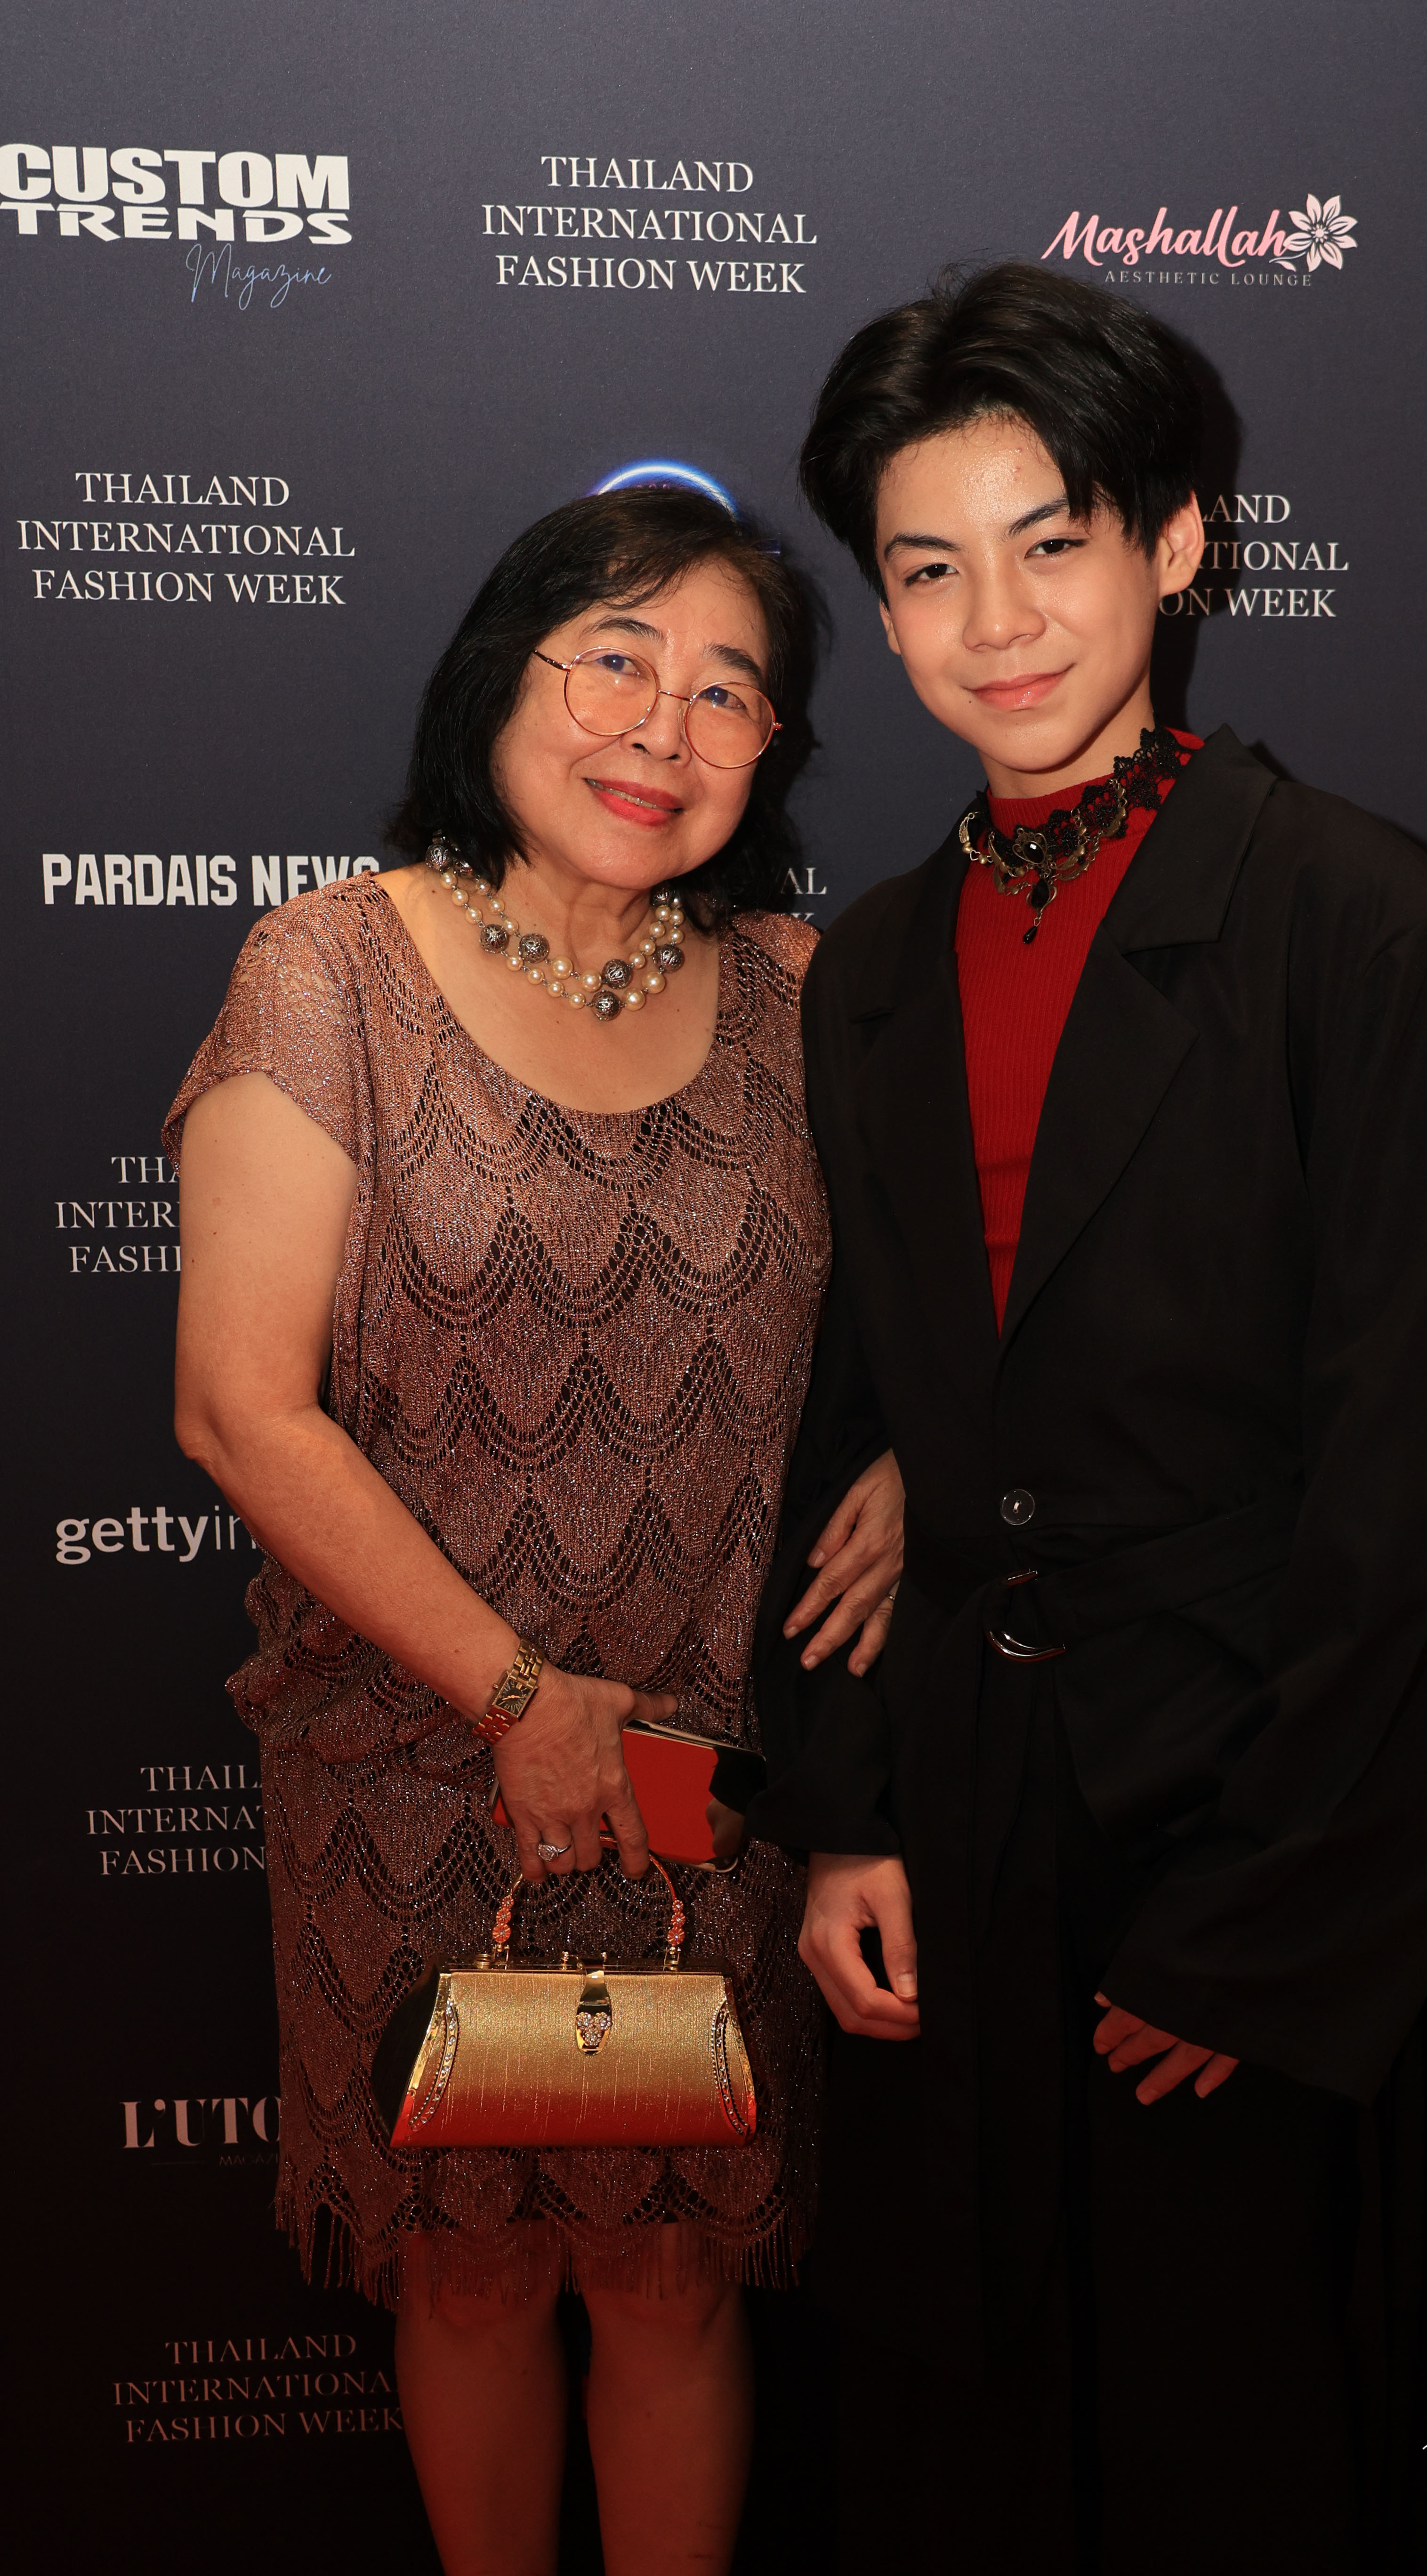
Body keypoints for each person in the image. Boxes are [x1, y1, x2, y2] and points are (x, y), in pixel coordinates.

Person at [751, 264, 1427, 2574]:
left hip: (1253, 1826)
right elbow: (859, 1403)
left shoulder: (1373, 928)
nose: (996, 622)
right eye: (928, 568)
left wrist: (1269, 1926)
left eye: (1054, 541)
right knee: (968, 2462)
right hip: (965, 1836)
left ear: (1179, 541)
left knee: (1256, 2453)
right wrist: (844, 1816)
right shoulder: (872, 962)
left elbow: (1422, 1473)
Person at [168, 486, 902, 2576]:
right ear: (502, 675)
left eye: (731, 691)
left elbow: (972, 1298)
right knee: (475, 2277)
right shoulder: (328, 969)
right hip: (417, 1765)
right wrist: (515, 1698)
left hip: (701, 1784)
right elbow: (240, 1407)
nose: (666, 726)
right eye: (618, 661)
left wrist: (923, 1462)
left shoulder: (805, 995)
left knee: (674, 2278)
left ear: (773, 752)